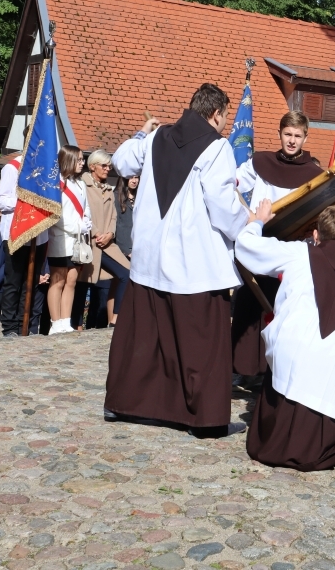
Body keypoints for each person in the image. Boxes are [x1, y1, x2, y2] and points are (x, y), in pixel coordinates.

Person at [105, 83, 248, 438]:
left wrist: (143, 133)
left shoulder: (156, 138)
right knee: (201, 344)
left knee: (146, 338)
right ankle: (206, 419)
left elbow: (120, 161)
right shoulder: (217, 147)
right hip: (193, 260)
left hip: (150, 256)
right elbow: (222, 204)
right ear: (216, 114)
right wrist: (249, 224)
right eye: (225, 116)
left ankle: (127, 404)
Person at [236, 203, 335, 488]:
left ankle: (329, 450)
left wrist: (258, 221)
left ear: (315, 235)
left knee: (282, 429)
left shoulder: (298, 253)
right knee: (326, 414)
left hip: (296, 345)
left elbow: (247, 247)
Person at [233, 111, 323, 380]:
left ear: (305, 137)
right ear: (279, 134)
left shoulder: (315, 174)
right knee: (249, 305)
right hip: (259, 244)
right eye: (287, 134)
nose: (292, 140)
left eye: (297, 135)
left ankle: (273, 370)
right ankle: (242, 368)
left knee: (283, 308)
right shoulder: (261, 162)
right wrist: (249, 215)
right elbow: (231, 184)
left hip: (291, 249)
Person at [0, 145, 49, 338]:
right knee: (13, 282)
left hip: (39, 234)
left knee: (31, 282)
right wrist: (25, 204)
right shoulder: (12, 168)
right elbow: (0, 200)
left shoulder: (46, 168)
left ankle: (24, 324)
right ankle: (9, 327)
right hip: (15, 233)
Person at [79, 150, 130, 329]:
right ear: (93, 166)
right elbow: (81, 212)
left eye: (109, 166)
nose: (108, 169)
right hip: (88, 243)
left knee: (126, 273)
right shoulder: (82, 185)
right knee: (82, 285)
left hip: (106, 243)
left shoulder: (108, 189)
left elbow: (113, 216)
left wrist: (110, 234)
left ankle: (115, 319)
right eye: (104, 166)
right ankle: (76, 325)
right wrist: (95, 233)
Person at [44, 146, 91, 334]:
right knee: (58, 281)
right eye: (78, 160)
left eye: (82, 159)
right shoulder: (56, 183)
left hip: (77, 240)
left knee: (71, 280)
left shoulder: (80, 184)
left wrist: (87, 222)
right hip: (60, 238)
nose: (82, 163)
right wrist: (77, 226)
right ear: (68, 160)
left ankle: (65, 320)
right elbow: (56, 214)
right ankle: (55, 322)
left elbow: (86, 209)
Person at [114, 175, 138, 261]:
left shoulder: (140, 196)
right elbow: (117, 225)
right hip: (124, 249)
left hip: (138, 247)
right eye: (131, 177)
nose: (134, 181)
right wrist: (126, 250)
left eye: (136, 177)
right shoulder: (116, 196)